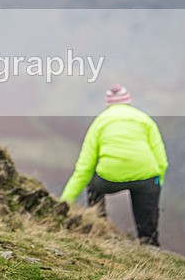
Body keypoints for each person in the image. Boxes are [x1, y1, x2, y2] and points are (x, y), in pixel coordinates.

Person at [60, 84, 168, 246]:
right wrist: (157, 183)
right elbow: (162, 161)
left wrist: (63, 203)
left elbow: (84, 169)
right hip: (145, 177)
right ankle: (149, 243)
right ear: (128, 102)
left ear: (108, 104)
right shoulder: (145, 119)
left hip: (109, 177)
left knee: (93, 185)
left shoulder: (100, 122)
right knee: (147, 227)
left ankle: (98, 222)